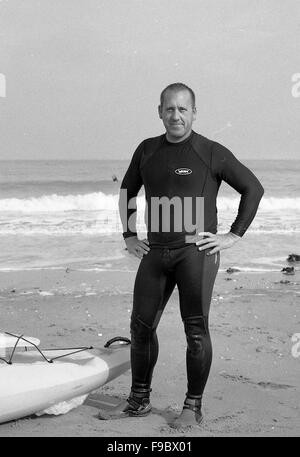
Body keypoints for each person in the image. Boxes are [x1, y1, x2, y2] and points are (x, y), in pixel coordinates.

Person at [98, 82, 264, 427]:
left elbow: (253, 188)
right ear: (160, 111)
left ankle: (193, 405)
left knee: (196, 330)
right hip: (156, 251)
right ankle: (138, 400)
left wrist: (233, 235)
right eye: (169, 109)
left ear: (194, 112)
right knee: (141, 326)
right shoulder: (146, 150)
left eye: (182, 109)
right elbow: (128, 190)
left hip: (195, 252)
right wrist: (129, 235)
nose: (176, 115)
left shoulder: (211, 151)